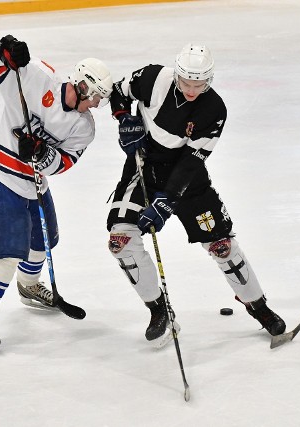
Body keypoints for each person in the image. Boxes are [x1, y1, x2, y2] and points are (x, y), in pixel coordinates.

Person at [105, 44, 286, 347]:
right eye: (187, 82)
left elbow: (192, 160)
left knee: (223, 246)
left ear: (209, 80)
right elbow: (118, 92)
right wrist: (125, 118)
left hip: (187, 179)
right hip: (143, 167)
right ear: (177, 75)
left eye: (199, 84)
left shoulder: (214, 110)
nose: (192, 89)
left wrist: (166, 201)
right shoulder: (153, 79)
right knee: (120, 241)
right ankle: (159, 311)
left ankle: (259, 307)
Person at [0, 34, 113, 353]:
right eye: (95, 96)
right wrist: (6, 48)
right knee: (5, 255)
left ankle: (29, 286)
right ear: (81, 86)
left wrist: (42, 153)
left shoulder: (85, 127)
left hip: (35, 184)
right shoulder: (35, 77)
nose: (96, 104)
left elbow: (63, 163)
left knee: (43, 242)